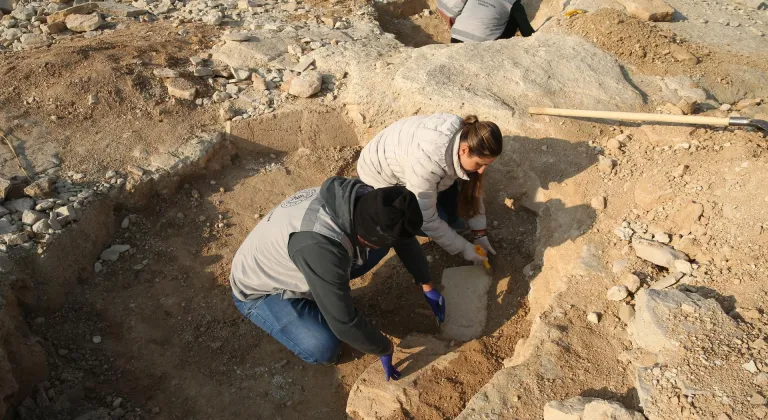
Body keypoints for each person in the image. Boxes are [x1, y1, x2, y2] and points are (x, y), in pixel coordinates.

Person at [229, 176, 445, 381]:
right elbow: (344, 323)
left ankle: (326, 292)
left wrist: (426, 282)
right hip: (262, 290)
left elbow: (402, 238)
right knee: (323, 348)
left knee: (380, 247)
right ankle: (312, 302)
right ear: (366, 237)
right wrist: (383, 347)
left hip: (302, 259)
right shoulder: (321, 248)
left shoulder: (362, 199)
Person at [357, 114, 503, 265]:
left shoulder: (468, 134)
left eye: (486, 165)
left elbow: (472, 188)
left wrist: (480, 233)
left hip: (408, 160)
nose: (482, 171)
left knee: (455, 217)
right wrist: (464, 247)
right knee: (438, 219)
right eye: (479, 164)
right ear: (464, 150)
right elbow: (426, 219)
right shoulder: (426, 164)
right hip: (379, 174)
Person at [437, 0, 535, 43]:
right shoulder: (513, 3)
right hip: (483, 46)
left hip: (455, 39)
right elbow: (528, 33)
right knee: (514, 16)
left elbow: (452, 13)